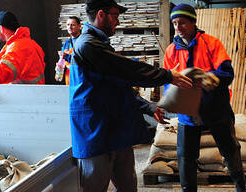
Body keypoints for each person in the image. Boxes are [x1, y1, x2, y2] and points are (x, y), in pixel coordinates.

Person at [69, 0, 193, 191]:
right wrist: (167, 76)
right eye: (115, 16)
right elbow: (126, 70)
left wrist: (149, 107)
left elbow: (118, 85)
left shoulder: (99, 45)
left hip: (115, 133)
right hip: (96, 135)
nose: (118, 22)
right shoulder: (87, 46)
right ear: (101, 15)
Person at [163, 3, 246, 192]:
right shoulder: (171, 51)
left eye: (182, 23)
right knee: (185, 156)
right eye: (175, 23)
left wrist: (211, 79)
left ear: (193, 22)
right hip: (188, 113)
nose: (178, 28)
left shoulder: (211, 43)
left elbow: (227, 73)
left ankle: (241, 187)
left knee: (230, 150)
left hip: (216, 109)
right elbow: (168, 82)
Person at [56, 16, 82, 85]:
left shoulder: (83, 42)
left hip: (80, 77)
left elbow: (82, 60)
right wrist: (60, 65)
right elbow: (63, 60)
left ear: (79, 26)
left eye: (72, 25)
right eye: (68, 25)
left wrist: (67, 57)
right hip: (69, 78)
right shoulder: (67, 43)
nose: (69, 27)